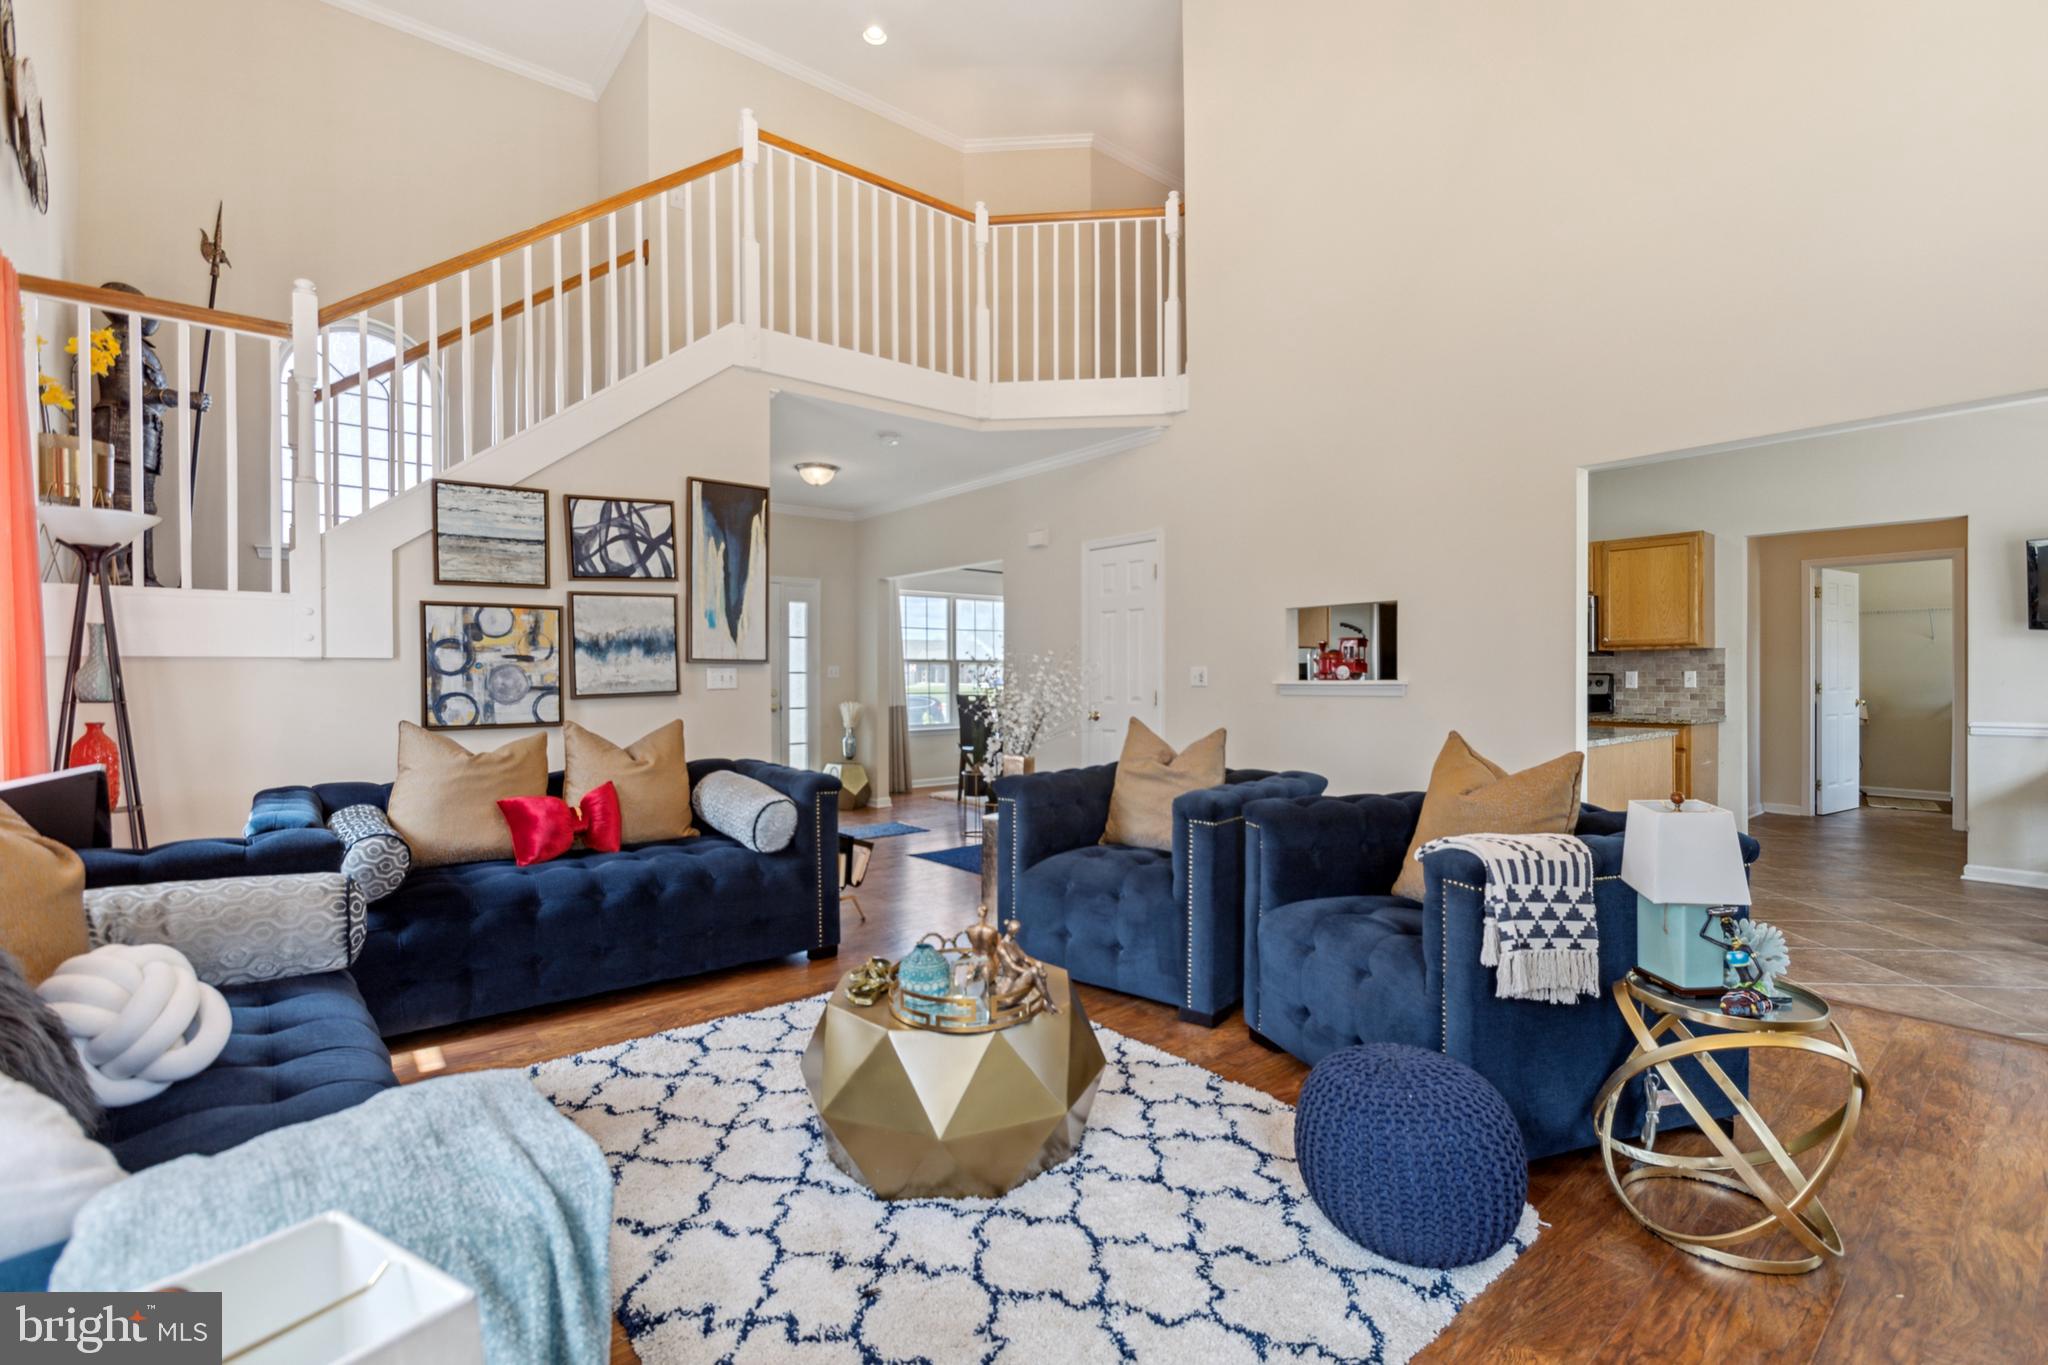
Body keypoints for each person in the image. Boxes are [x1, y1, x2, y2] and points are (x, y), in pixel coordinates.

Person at [89, 282, 209, 586]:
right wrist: (185, 398)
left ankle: (145, 572)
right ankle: (122, 573)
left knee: (145, 506)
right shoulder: (118, 340)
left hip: (144, 433)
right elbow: (130, 390)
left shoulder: (137, 346)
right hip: (122, 429)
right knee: (125, 503)